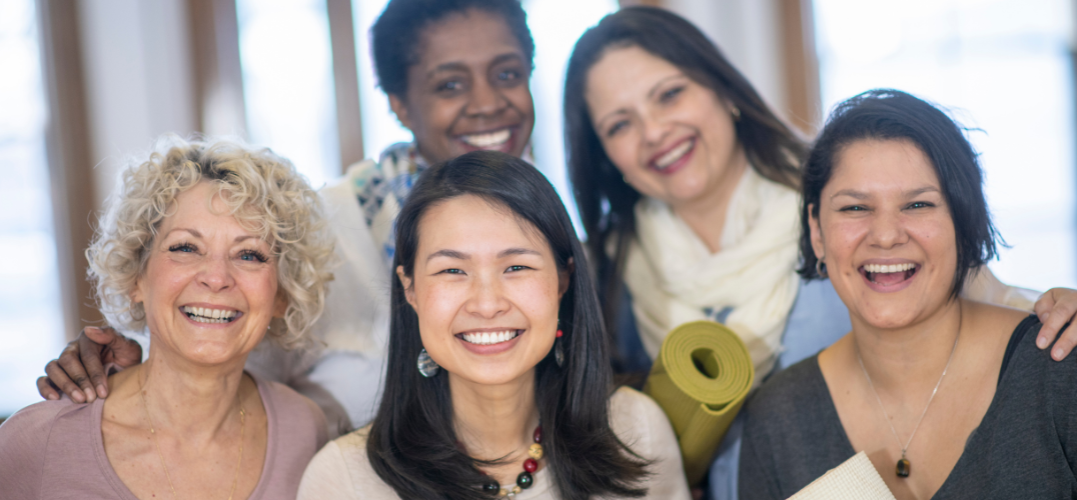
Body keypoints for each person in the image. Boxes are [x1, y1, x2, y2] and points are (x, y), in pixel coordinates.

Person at [562, 8, 1077, 498]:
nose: (654, 131)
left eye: (669, 94)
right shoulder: (609, 273)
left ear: (723, 90)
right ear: (605, 155)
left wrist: (1059, 306)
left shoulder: (844, 201)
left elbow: (975, 285)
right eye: (619, 124)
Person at [36, 0, 538, 434]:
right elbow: (208, 357)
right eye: (450, 84)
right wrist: (122, 368)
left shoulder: (552, 236)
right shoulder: (320, 229)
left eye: (508, 74)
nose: (489, 102)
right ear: (400, 105)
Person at [738, 89, 1077, 499]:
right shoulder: (779, 418)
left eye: (917, 205)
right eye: (855, 208)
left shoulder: (1058, 368)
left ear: (963, 221)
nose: (885, 236)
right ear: (816, 232)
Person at [297, 151, 691, 499]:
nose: (487, 304)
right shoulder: (344, 480)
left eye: (516, 267)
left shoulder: (636, 430)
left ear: (563, 280)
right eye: (452, 270)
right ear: (410, 289)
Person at [0, 137, 332, 499]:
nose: (217, 277)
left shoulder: (304, 429)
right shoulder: (37, 444)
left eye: (249, 254)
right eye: (186, 247)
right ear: (136, 276)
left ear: (281, 293)